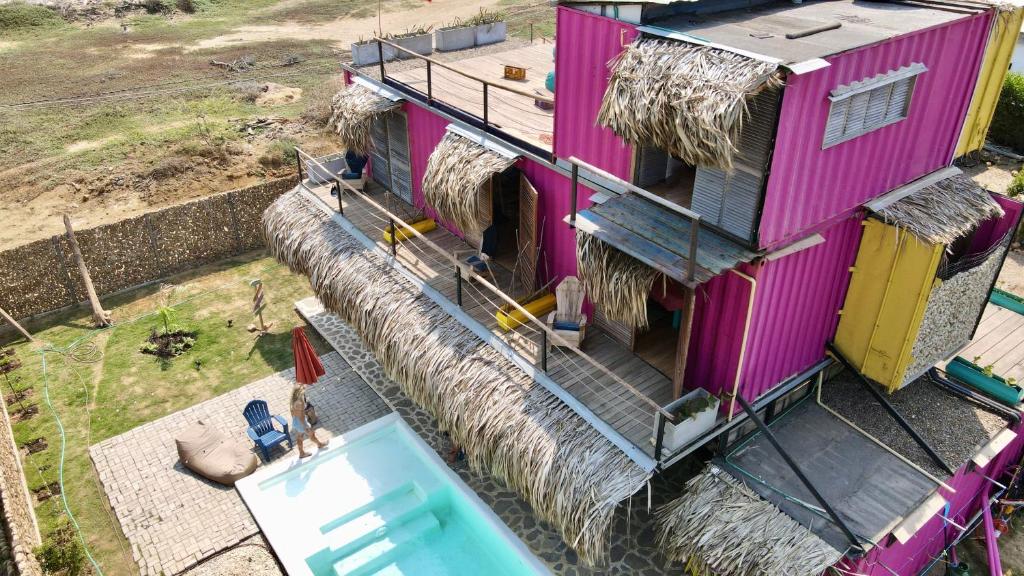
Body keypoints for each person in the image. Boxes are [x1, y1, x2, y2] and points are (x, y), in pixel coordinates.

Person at [290, 384, 325, 458]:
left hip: (295, 420)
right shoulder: (300, 402)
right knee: (311, 433)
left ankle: (302, 452)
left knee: (300, 437)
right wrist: (305, 426)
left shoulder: (293, 400)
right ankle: (319, 444)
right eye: (303, 390)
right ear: (300, 392)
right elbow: (302, 416)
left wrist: (296, 421)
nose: (305, 391)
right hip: (301, 422)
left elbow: (292, 412)